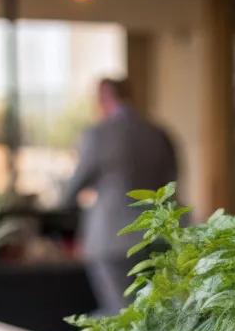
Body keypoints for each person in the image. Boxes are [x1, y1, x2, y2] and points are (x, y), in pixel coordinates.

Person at [63, 76, 178, 316]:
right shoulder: (158, 133)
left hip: (111, 237)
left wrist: (64, 202)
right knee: (153, 309)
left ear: (104, 97)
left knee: (119, 312)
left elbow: (76, 185)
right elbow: (172, 179)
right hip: (155, 233)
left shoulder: (99, 134)